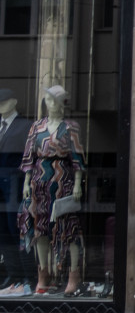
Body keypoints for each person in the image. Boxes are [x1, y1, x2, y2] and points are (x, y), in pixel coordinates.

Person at [18, 85, 86, 296]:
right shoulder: (37, 126)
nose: (51, 104)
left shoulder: (70, 127)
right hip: (39, 181)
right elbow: (29, 156)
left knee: (68, 229)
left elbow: (77, 158)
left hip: (62, 180)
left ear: (61, 103)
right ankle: (43, 276)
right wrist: (26, 183)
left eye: (54, 100)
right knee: (40, 229)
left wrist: (77, 183)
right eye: (48, 100)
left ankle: (73, 275)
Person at [0, 89, 34, 294]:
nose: (1, 106)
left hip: (15, 184)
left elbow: (29, 157)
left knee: (18, 230)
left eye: (4, 102)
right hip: (1, 187)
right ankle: (13, 275)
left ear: (14, 102)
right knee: (2, 232)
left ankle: (28, 276)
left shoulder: (26, 126)